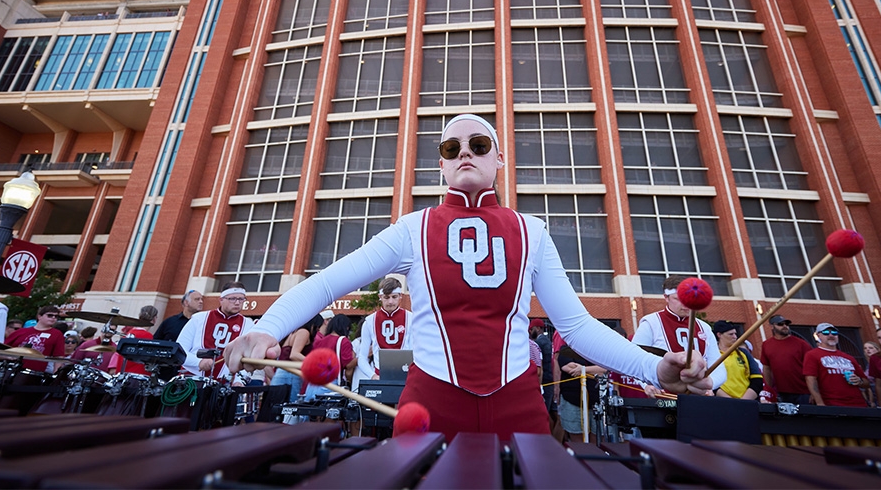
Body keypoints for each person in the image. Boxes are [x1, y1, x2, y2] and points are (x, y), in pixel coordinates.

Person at [224, 114, 713, 441]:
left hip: (518, 403)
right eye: (451, 147)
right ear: (440, 165)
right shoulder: (411, 229)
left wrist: (655, 370)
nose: (465, 153)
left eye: (479, 145)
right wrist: (266, 328)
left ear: (499, 159)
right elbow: (330, 282)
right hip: (430, 401)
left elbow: (578, 326)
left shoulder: (533, 230)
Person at [632, 275, 727, 392]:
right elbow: (635, 358)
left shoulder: (704, 327)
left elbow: (718, 366)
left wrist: (710, 384)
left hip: (697, 395)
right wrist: (646, 385)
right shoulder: (651, 322)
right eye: (678, 299)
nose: (685, 304)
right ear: (666, 297)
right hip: (663, 394)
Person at [177, 282, 254, 380]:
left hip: (223, 382)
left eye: (241, 299)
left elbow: (247, 357)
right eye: (232, 299)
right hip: (191, 378)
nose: (237, 303)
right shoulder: (199, 318)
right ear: (221, 300)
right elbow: (179, 349)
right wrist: (198, 362)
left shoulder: (248, 325)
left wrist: (239, 380)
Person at [355, 277, 413, 388]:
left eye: (394, 297)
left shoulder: (411, 318)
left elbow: (414, 352)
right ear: (380, 297)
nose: (390, 301)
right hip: (379, 376)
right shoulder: (369, 321)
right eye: (386, 297)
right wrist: (373, 376)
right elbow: (362, 357)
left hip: (406, 376)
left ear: (400, 296)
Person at [803, 322, 868, 407]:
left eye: (834, 332)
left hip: (858, 403)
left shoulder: (849, 357)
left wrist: (859, 381)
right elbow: (810, 380)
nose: (831, 335)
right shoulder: (812, 355)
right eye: (826, 332)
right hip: (832, 404)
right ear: (819, 336)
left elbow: (866, 382)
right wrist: (820, 403)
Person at [270, 314, 324, 401]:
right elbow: (294, 354)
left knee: (275, 404)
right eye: (318, 326)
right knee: (292, 405)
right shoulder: (304, 332)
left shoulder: (293, 332)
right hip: (292, 373)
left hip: (282, 371)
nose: (318, 330)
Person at [760, 314, 813, 404]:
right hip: (781, 393)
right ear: (771, 326)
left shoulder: (801, 344)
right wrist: (769, 390)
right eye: (780, 324)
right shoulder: (766, 345)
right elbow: (767, 368)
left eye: (786, 324)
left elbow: (812, 369)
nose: (785, 326)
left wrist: (814, 392)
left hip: (804, 392)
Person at [4, 305, 65, 372]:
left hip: (35, 373)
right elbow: (1, 349)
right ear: (39, 316)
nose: (53, 318)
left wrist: (56, 374)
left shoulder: (57, 334)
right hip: (12, 369)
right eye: (50, 315)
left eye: (56, 316)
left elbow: (58, 357)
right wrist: (8, 357)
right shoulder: (21, 331)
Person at [712, 320, 762, 400]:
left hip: (747, 401)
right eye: (731, 334)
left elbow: (757, 379)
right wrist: (730, 401)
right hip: (723, 401)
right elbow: (712, 383)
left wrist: (743, 401)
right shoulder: (712, 354)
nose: (735, 337)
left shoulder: (744, 353)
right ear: (719, 335)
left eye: (735, 334)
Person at [108, 305, 159, 375]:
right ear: (154, 319)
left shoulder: (130, 333)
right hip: (137, 374)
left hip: (122, 374)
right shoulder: (147, 336)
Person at [529, 318, 554, 411]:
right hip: (550, 379)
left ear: (538, 328)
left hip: (544, 381)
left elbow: (539, 367)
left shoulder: (537, 344)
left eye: (532, 329)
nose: (530, 332)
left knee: (543, 409)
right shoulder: (547, 341)